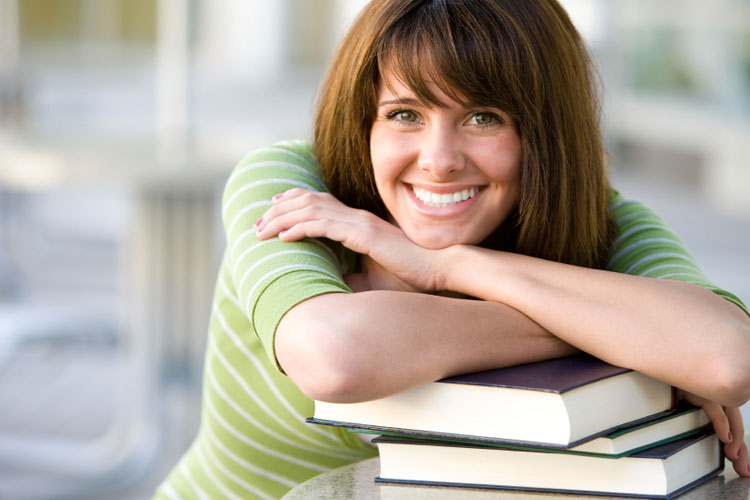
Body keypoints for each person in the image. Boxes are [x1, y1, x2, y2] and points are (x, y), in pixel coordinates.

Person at [154, 1, 750, 498]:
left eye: (484, 118)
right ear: (363, 121)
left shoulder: (605, 221)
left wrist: (450, 268)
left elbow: (727, 358)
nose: (438, 161)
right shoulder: (291, 185)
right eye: (404, 114)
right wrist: (621, 331)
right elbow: (335, 356)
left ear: (544, 131)